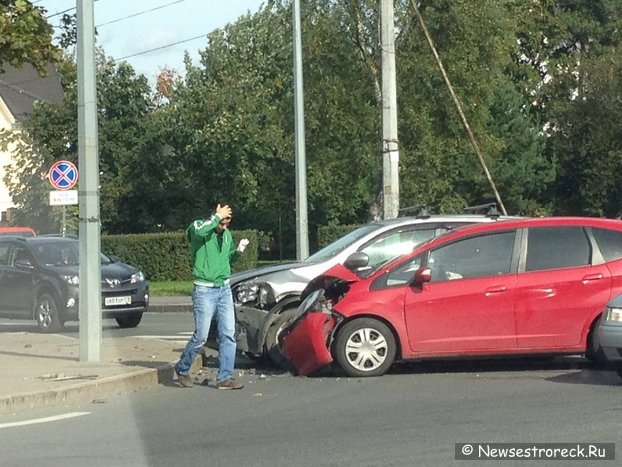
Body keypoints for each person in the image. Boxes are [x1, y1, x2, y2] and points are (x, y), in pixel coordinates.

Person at [175, 203, 249, 390]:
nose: (224, 226)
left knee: (228, 334)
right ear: (215, 215)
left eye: (227, 223)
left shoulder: (226, 235)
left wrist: (238, 252)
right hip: (204, 290)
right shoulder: (199, 227)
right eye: (222, 221)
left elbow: (226, 261)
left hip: (223, 289)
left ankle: (225, 377)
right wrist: (216, 217)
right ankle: (182, 368)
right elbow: (197, 233)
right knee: (201, 336)